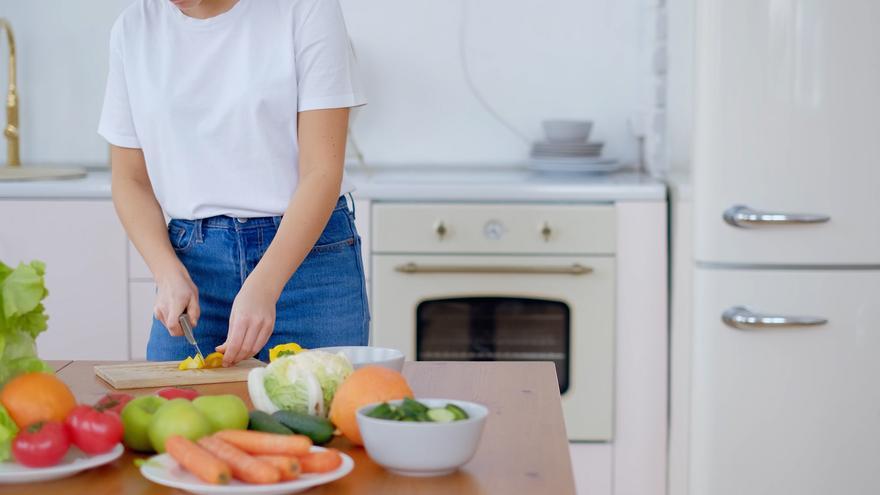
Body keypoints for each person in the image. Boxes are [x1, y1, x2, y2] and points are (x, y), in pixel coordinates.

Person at [98, 0, 369, 366]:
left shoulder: (305, 8)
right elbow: (129, 179)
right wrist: (166, 271)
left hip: (307, 263)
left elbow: (321, 170)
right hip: (193, 264)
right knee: (174, 416)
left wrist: (266, 284)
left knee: (317, 417)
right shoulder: (133, 27)